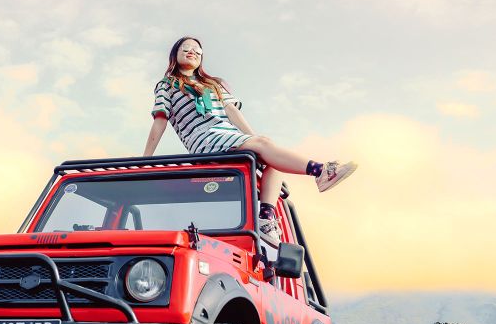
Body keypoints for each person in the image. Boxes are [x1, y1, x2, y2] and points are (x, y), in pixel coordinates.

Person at [143, 36, 357, 241]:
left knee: (272, 158)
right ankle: (320, 171)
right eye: (186, 48)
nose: (192, 52)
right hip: (204, 139)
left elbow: (232, 111)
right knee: (266, 146)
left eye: (197, 51)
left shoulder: (212, 84)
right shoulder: (167, 85)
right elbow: (160, 119)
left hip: (229, 135)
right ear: (175, 53)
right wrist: (146, 159)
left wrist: (255, 139)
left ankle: (266, 217)